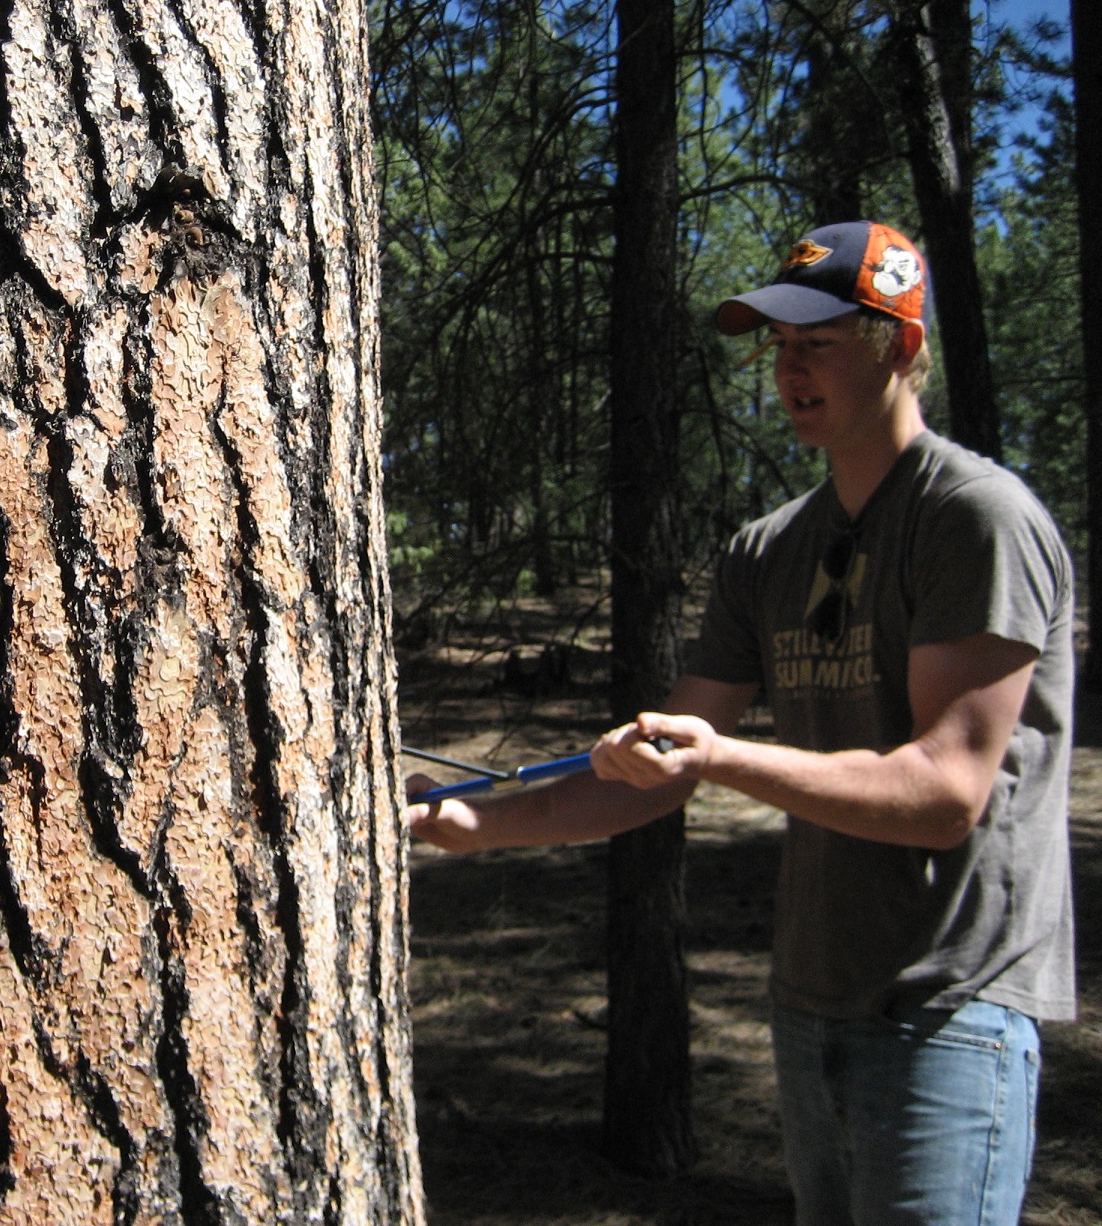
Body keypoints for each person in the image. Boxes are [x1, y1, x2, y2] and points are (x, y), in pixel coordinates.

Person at [407, 221, 1076, 1225]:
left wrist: (719, 756)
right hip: (810, 1005)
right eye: (777, 343)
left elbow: (945, 793)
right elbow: (664, 766)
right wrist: (466, 824)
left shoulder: (972, 517)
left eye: (818, 341)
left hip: (950, 1009)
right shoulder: (768, 550)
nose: (787, 367)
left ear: (898, 346)